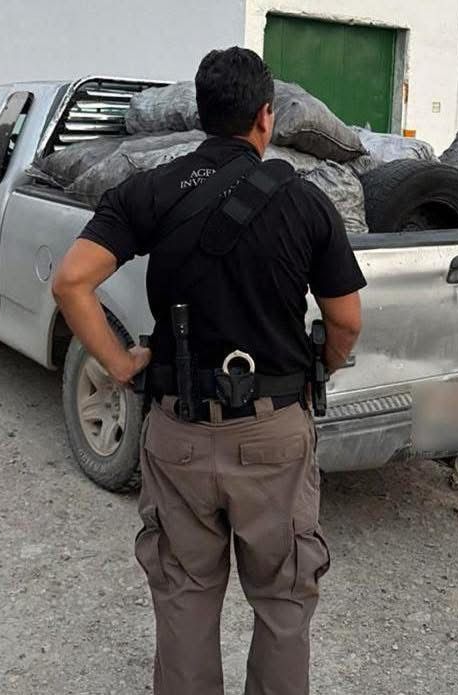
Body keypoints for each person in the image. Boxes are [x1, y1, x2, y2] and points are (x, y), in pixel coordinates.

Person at [52, 47, 364, 695]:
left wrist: (121, 363)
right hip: (274, 433)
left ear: (200, 114)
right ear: (266, 116)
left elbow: (72, 282)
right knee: (282, 602)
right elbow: (346, 322)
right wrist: (319, 370)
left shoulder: (148, 190)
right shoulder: (305, 202)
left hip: (179, 434)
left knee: (185, 598)